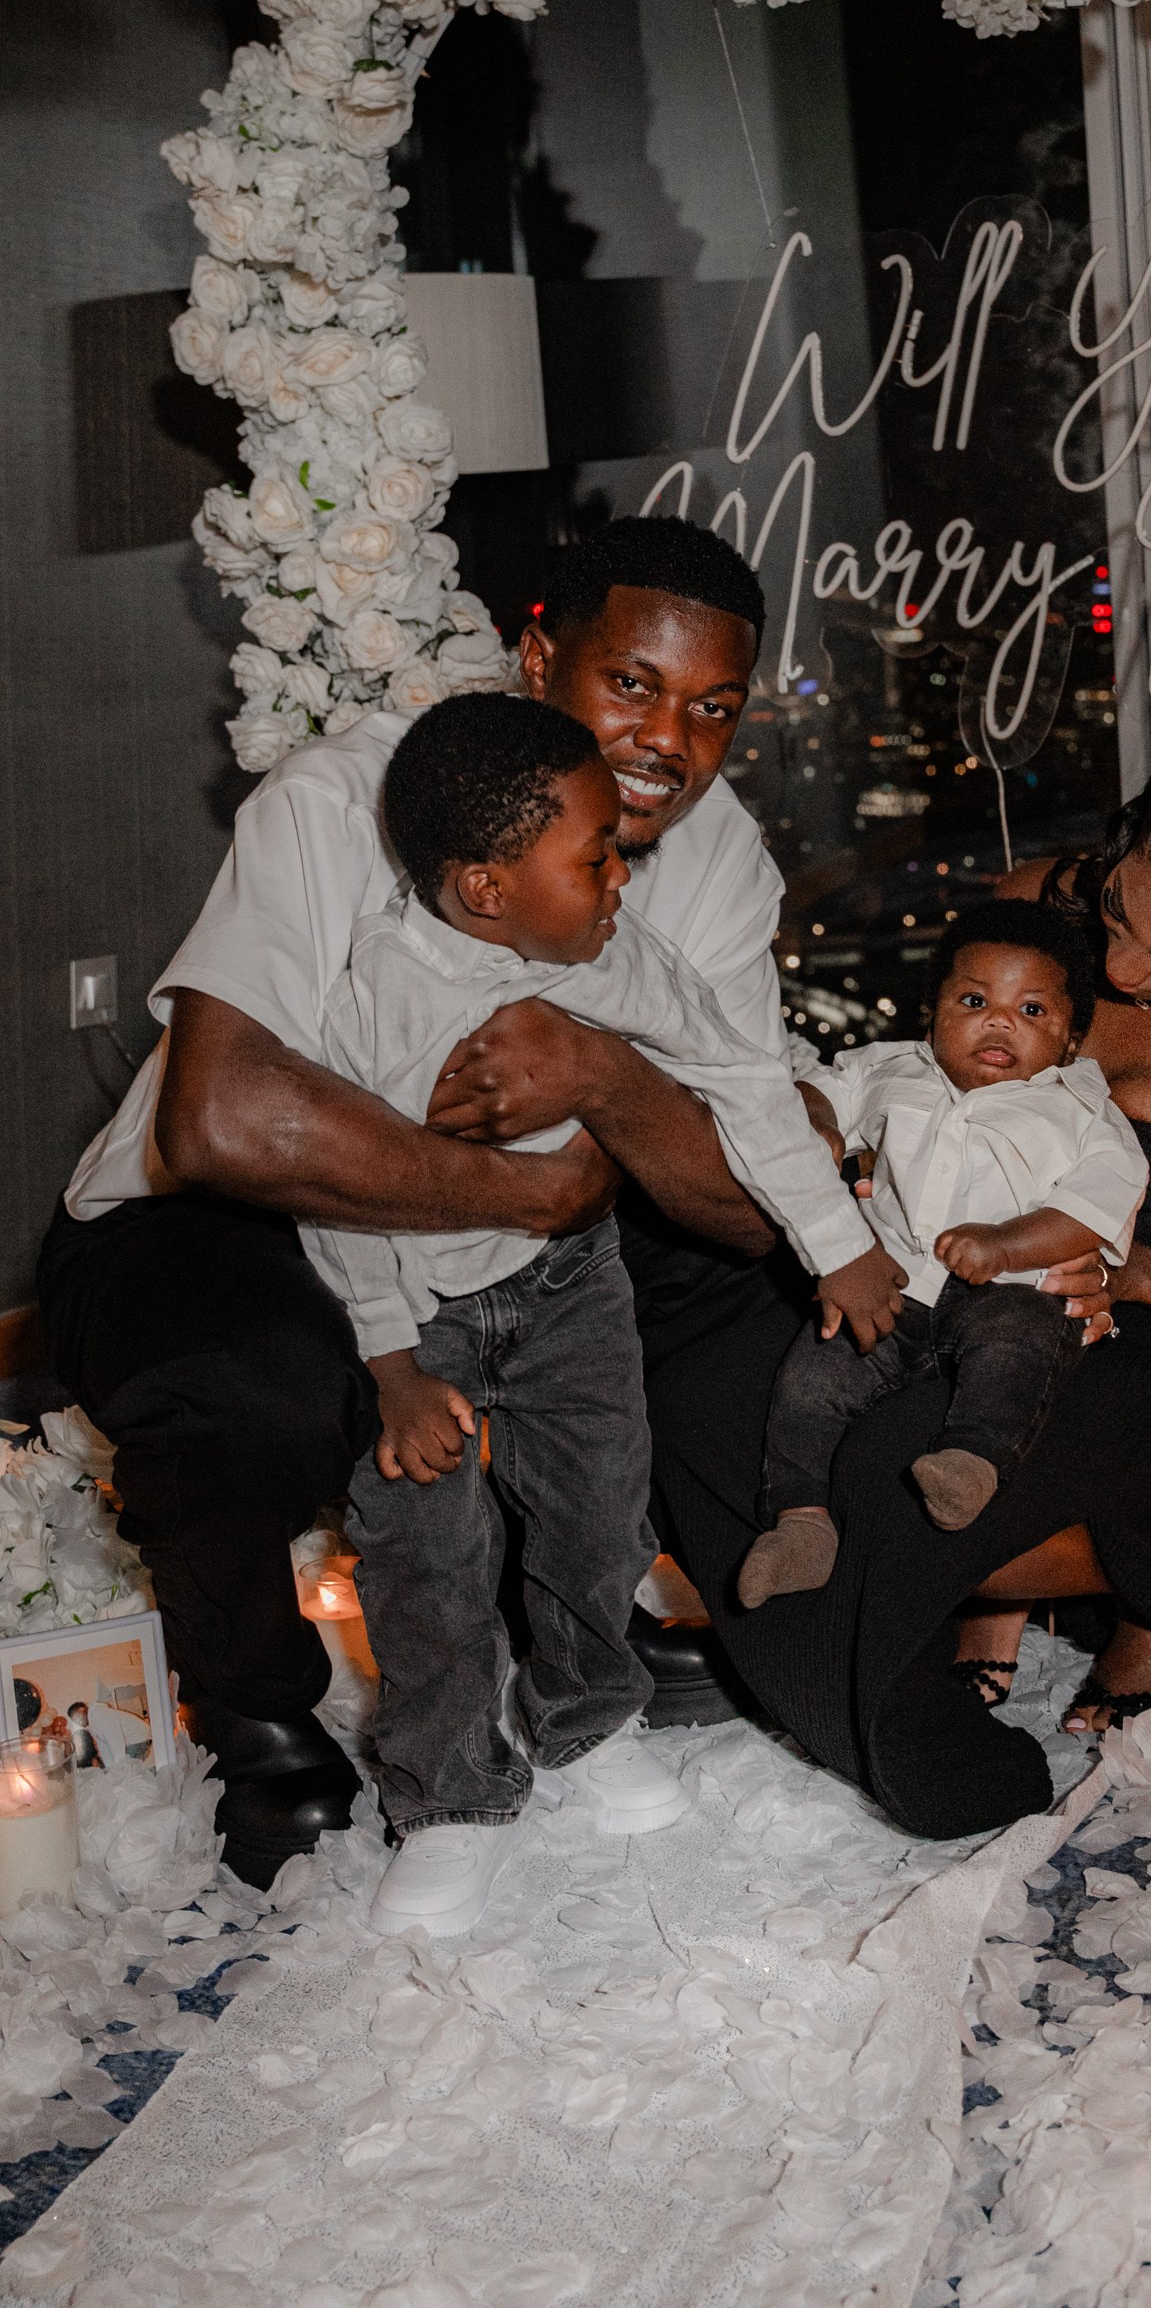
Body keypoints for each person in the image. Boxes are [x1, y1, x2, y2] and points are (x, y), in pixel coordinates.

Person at [39, 518, 904, 1884]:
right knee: (264, 1386)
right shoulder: (347, 795)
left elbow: (743, 1185)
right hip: (208, 1216)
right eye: (633, 684)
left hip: (529, 1229)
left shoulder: (720, 860)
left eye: (713, 709)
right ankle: (262, 1710)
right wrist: (527, 1187)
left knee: (740, 1288)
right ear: (540, 659)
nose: (667, 743)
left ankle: (595, 1631)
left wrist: (603, 1079)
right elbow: (219, 1122)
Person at [646, 733, 1151, 1834]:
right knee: (710, 1376)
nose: (1121, 971)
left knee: (889, 1462)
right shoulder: (1038, 910)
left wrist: (1150, 1276)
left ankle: (1050, 1661)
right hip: (959, 1286)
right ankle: (878, 1649)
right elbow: (922, 1068)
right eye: (1116, 916)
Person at [314, 694, 886, 1938]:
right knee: (426, 1559)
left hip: (570, 1281)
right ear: (485, 888)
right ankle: (448, 1794)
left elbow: (743, 1079)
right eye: (594, 859)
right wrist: (390, 1364)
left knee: (594, 1516)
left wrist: (838, 1248)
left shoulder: (614, 958)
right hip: (413, 1308)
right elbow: (334, 1189)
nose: (622, 876)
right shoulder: (371, 996)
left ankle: (585, 1718)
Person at [739, 901, 1147, 1605]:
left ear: (1071, 1041)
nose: (999, 1023)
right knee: (810, 1375)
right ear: (932, 1013)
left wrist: (1007, 1243)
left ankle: (971, 1461)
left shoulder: (1082, 1112)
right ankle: (800, 1522)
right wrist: (819, 1125)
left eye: (1031, 1011)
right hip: (890, 1284)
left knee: (1021, 1347)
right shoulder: (893, 1068)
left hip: (1009, 1290)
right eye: (974, 1001)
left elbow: (1100, 1201)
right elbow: (817, 1090)